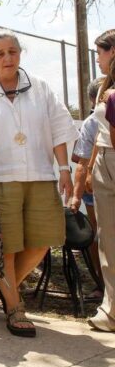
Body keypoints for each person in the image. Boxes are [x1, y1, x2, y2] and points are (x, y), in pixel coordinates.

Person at [0, 30, 77, 338]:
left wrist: (64, 168)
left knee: (42, 241)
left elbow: (59, 127)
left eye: (12, 52)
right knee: (6, 248)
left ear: (20, 54)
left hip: (39, 174)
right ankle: (14, 306)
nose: (7, 58)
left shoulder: (40, 88)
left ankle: (6, 288)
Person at [74, 30, 115, 332]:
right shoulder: (105, 88)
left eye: (100, 52)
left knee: (110, 241)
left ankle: (111, 312)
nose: (97, 58)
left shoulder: (110, 93)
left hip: (110, 158)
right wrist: (89, 169)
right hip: (103, 159)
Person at [69, 77, 105, 299]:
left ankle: (101, 284)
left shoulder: (92, 121)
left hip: (95, 188)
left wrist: (76, 194)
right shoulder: (93, 122)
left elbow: (78, 158)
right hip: (97, 187)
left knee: (98, 237)